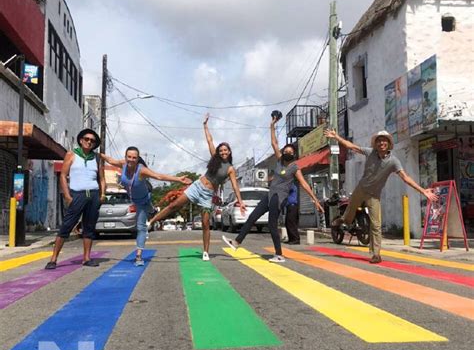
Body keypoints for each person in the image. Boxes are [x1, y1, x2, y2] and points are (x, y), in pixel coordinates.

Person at [323, 128, 438, 263]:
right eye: (379, 141)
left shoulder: (393, 161)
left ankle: (376, 254)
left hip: (374, 196)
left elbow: (405, 177)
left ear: (388, 144)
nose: (381, 143)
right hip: (360, 189)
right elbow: (351, 146)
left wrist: (423, 190)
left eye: (384, 141)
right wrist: (336, 137)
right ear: (375, 144)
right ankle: (342, 220)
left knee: (376, 225)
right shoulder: (370, 152)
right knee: (350, 211)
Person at [222, 114, 324, 263]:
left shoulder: (295, 167)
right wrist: (272, 125)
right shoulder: (279, 161)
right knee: (252, 217)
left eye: (290, 152)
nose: (287, 153)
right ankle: (237, 242)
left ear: (294, 154)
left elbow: (304, 184)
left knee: (271, 224)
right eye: (286, 151)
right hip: (270, 195)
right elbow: (274, 143)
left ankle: (279, 255)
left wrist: (315, 200)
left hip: (279, 198)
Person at [148, 114, 246, 261]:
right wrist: (205, 125)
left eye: (226, 150)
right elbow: (209, 140)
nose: (223, 152)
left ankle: (205, 252)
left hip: (207, 195)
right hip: (197, 187)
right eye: (221, 150)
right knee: (174, 205)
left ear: (230, 152)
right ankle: (151, 222)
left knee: (206, 223)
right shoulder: (215, 158)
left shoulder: (231, 169)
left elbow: (235, 186)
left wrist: (241, 201)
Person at [101, 147, 192, 266]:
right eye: (129, 157)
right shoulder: (123, 164)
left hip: (143, 200)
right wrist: (98, 154)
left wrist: (178, 179)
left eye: (134, 158)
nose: (131, 160)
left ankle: (138, 256)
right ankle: (152, 210)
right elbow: (111, 160)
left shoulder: (142, 170)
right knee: (149, 211)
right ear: (125, 157)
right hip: (134, 199)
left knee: (141, 227)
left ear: (138, 159)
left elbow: (159, 176)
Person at [45, 129, 106, 269]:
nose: (89, 141)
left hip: (93, 195)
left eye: (92, 140)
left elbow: (102, 179)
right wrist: (67, 195)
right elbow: (63, 176)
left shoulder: (96, 158)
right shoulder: (71, 154)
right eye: (86, 139)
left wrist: (102, 194)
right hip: (77, 195)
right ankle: (53, 259)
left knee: (89, 227)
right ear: (80, 140)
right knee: (66, 226)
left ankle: (86, 258)